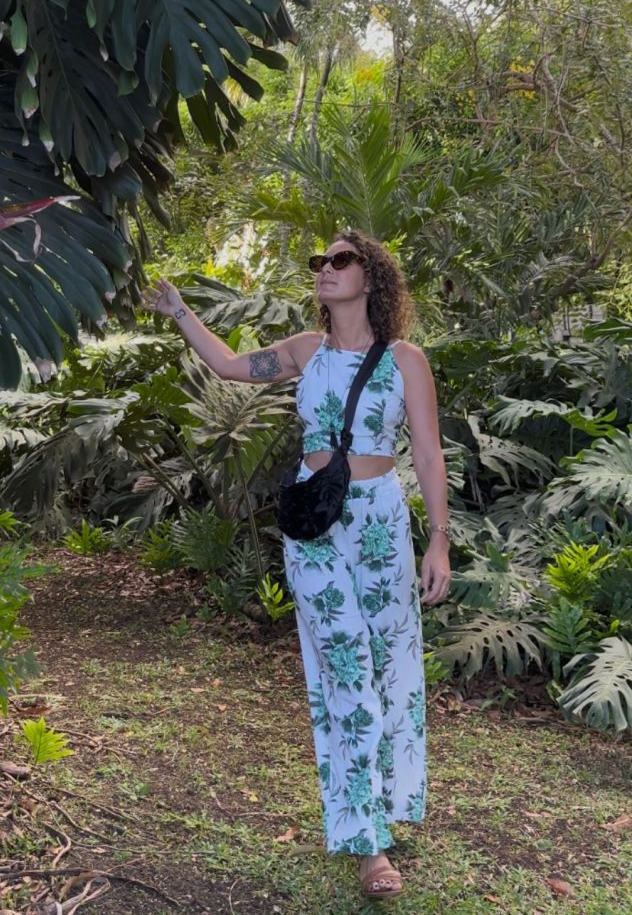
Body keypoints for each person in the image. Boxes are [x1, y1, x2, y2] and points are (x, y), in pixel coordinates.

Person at [141, 230, 451, 898]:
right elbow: (228, 366)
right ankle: (368, 845)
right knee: (344, 672)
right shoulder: (305, 353)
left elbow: (427, 454)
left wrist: (440, 539)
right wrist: (180, 314)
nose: (325, 271)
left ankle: (385, 800)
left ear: (371, 277)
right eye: (319, 262)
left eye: (340, 261)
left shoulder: (405, 360)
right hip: (315, 526)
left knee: (392, 671)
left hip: (380, 524)